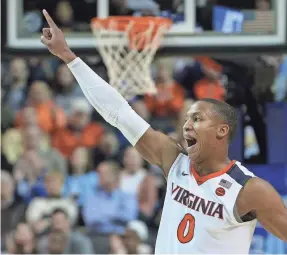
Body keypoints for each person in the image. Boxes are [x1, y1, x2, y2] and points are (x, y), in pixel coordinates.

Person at [40, 10, 287, 254]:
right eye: (188, 118)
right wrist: (68, 56)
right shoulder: (174, 161)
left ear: (222, 131)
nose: (187, 125)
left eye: (198, 119)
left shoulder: (249, 189)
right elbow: (118, 113)